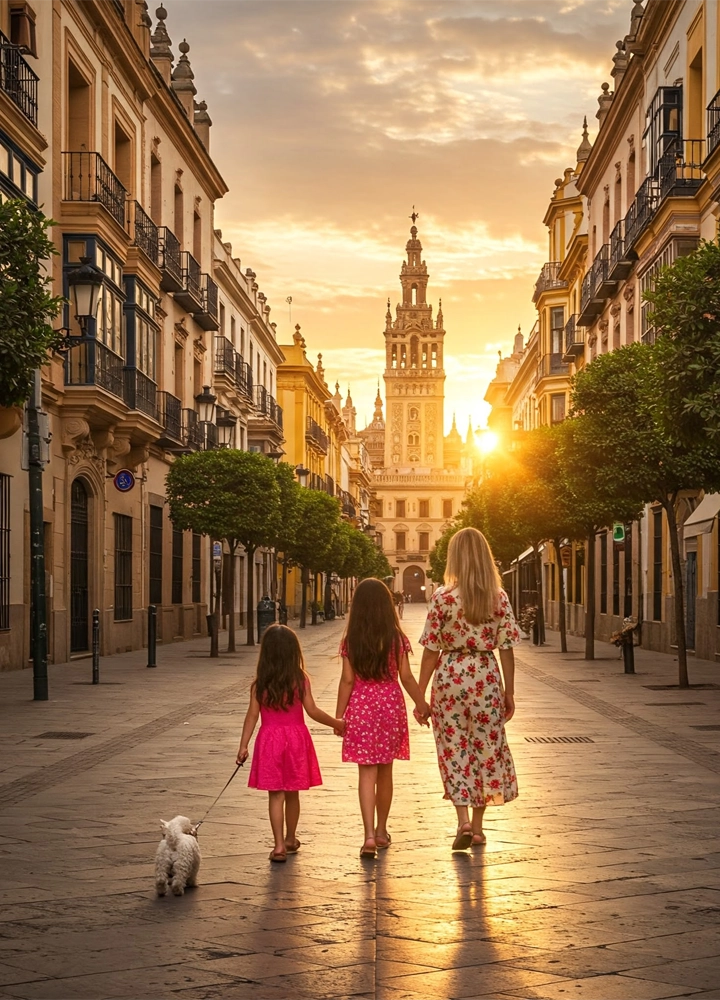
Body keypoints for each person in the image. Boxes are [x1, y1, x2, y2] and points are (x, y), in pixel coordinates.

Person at [417, 527, 520, 851]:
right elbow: (506, 648)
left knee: (454, 750)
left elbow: (431, 650)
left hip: (450, 677)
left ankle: (461, 819)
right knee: (487, 752)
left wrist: (420, 696)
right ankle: (477, 827)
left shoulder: (441, 597)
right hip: (486, 677)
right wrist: (509, 692)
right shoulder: (498, 598)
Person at [336, 578, 430, 859]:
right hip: (390, 706)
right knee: (385, 770)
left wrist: (339, 717)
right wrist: (422, 704)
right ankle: (381, 830)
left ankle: (366, 836)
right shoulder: (396, 638)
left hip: (362, 708)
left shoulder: (350, 640)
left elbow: (347, 680)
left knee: (366, 772)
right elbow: (407, 677)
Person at [236, 624, 344, 862]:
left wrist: (244, 745)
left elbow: (252, 716)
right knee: (293, 792)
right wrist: (337, 723)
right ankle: (290, 838)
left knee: (275, 795)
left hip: (269, 741)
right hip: (295, 740)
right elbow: (313, 711)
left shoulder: (259, 684)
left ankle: (277, 847)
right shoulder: (299, 679)